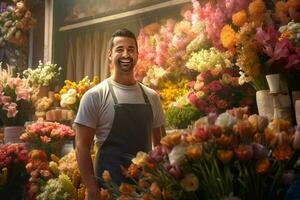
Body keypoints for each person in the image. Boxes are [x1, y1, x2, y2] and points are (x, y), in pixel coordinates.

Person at [75, 28, 166, 199]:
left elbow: (161, 146)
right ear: (110, 55)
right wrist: (92, 189)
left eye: (131, 49)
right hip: (108, 189)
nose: (126, 54)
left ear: (137, 55)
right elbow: (81, 147)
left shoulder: (152, 97)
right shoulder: (95, 96)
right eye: (120, 49)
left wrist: (162, 182)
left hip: (145, 189)